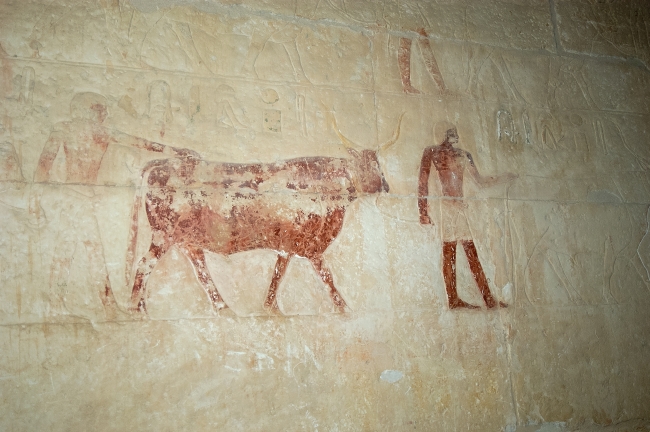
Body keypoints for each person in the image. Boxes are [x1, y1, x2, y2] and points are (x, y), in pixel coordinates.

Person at [33, 92, 197, 318]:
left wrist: (177, 151)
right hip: (76, 200)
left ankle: (92, 305)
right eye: (100, 109)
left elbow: (141, 143)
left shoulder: (82, 130)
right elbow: (43, 167)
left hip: (79, 200)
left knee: (79, 252)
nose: (104, 114)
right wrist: (36, 201)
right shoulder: (77, 130)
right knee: (85, 252)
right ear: (87, 109)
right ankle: (97, 307)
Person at [418, 127, 516, 309]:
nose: (454, 135)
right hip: (447, 207)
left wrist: (503, 178)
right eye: (451, 132)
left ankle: (487, 300)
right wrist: (422, 212)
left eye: (454, 132)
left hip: (458, 207)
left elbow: (479, 181)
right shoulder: (432, 152)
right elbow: (423, 181)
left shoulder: (464, 154)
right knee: (450, 251)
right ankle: (455, 299)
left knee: (470, 252)